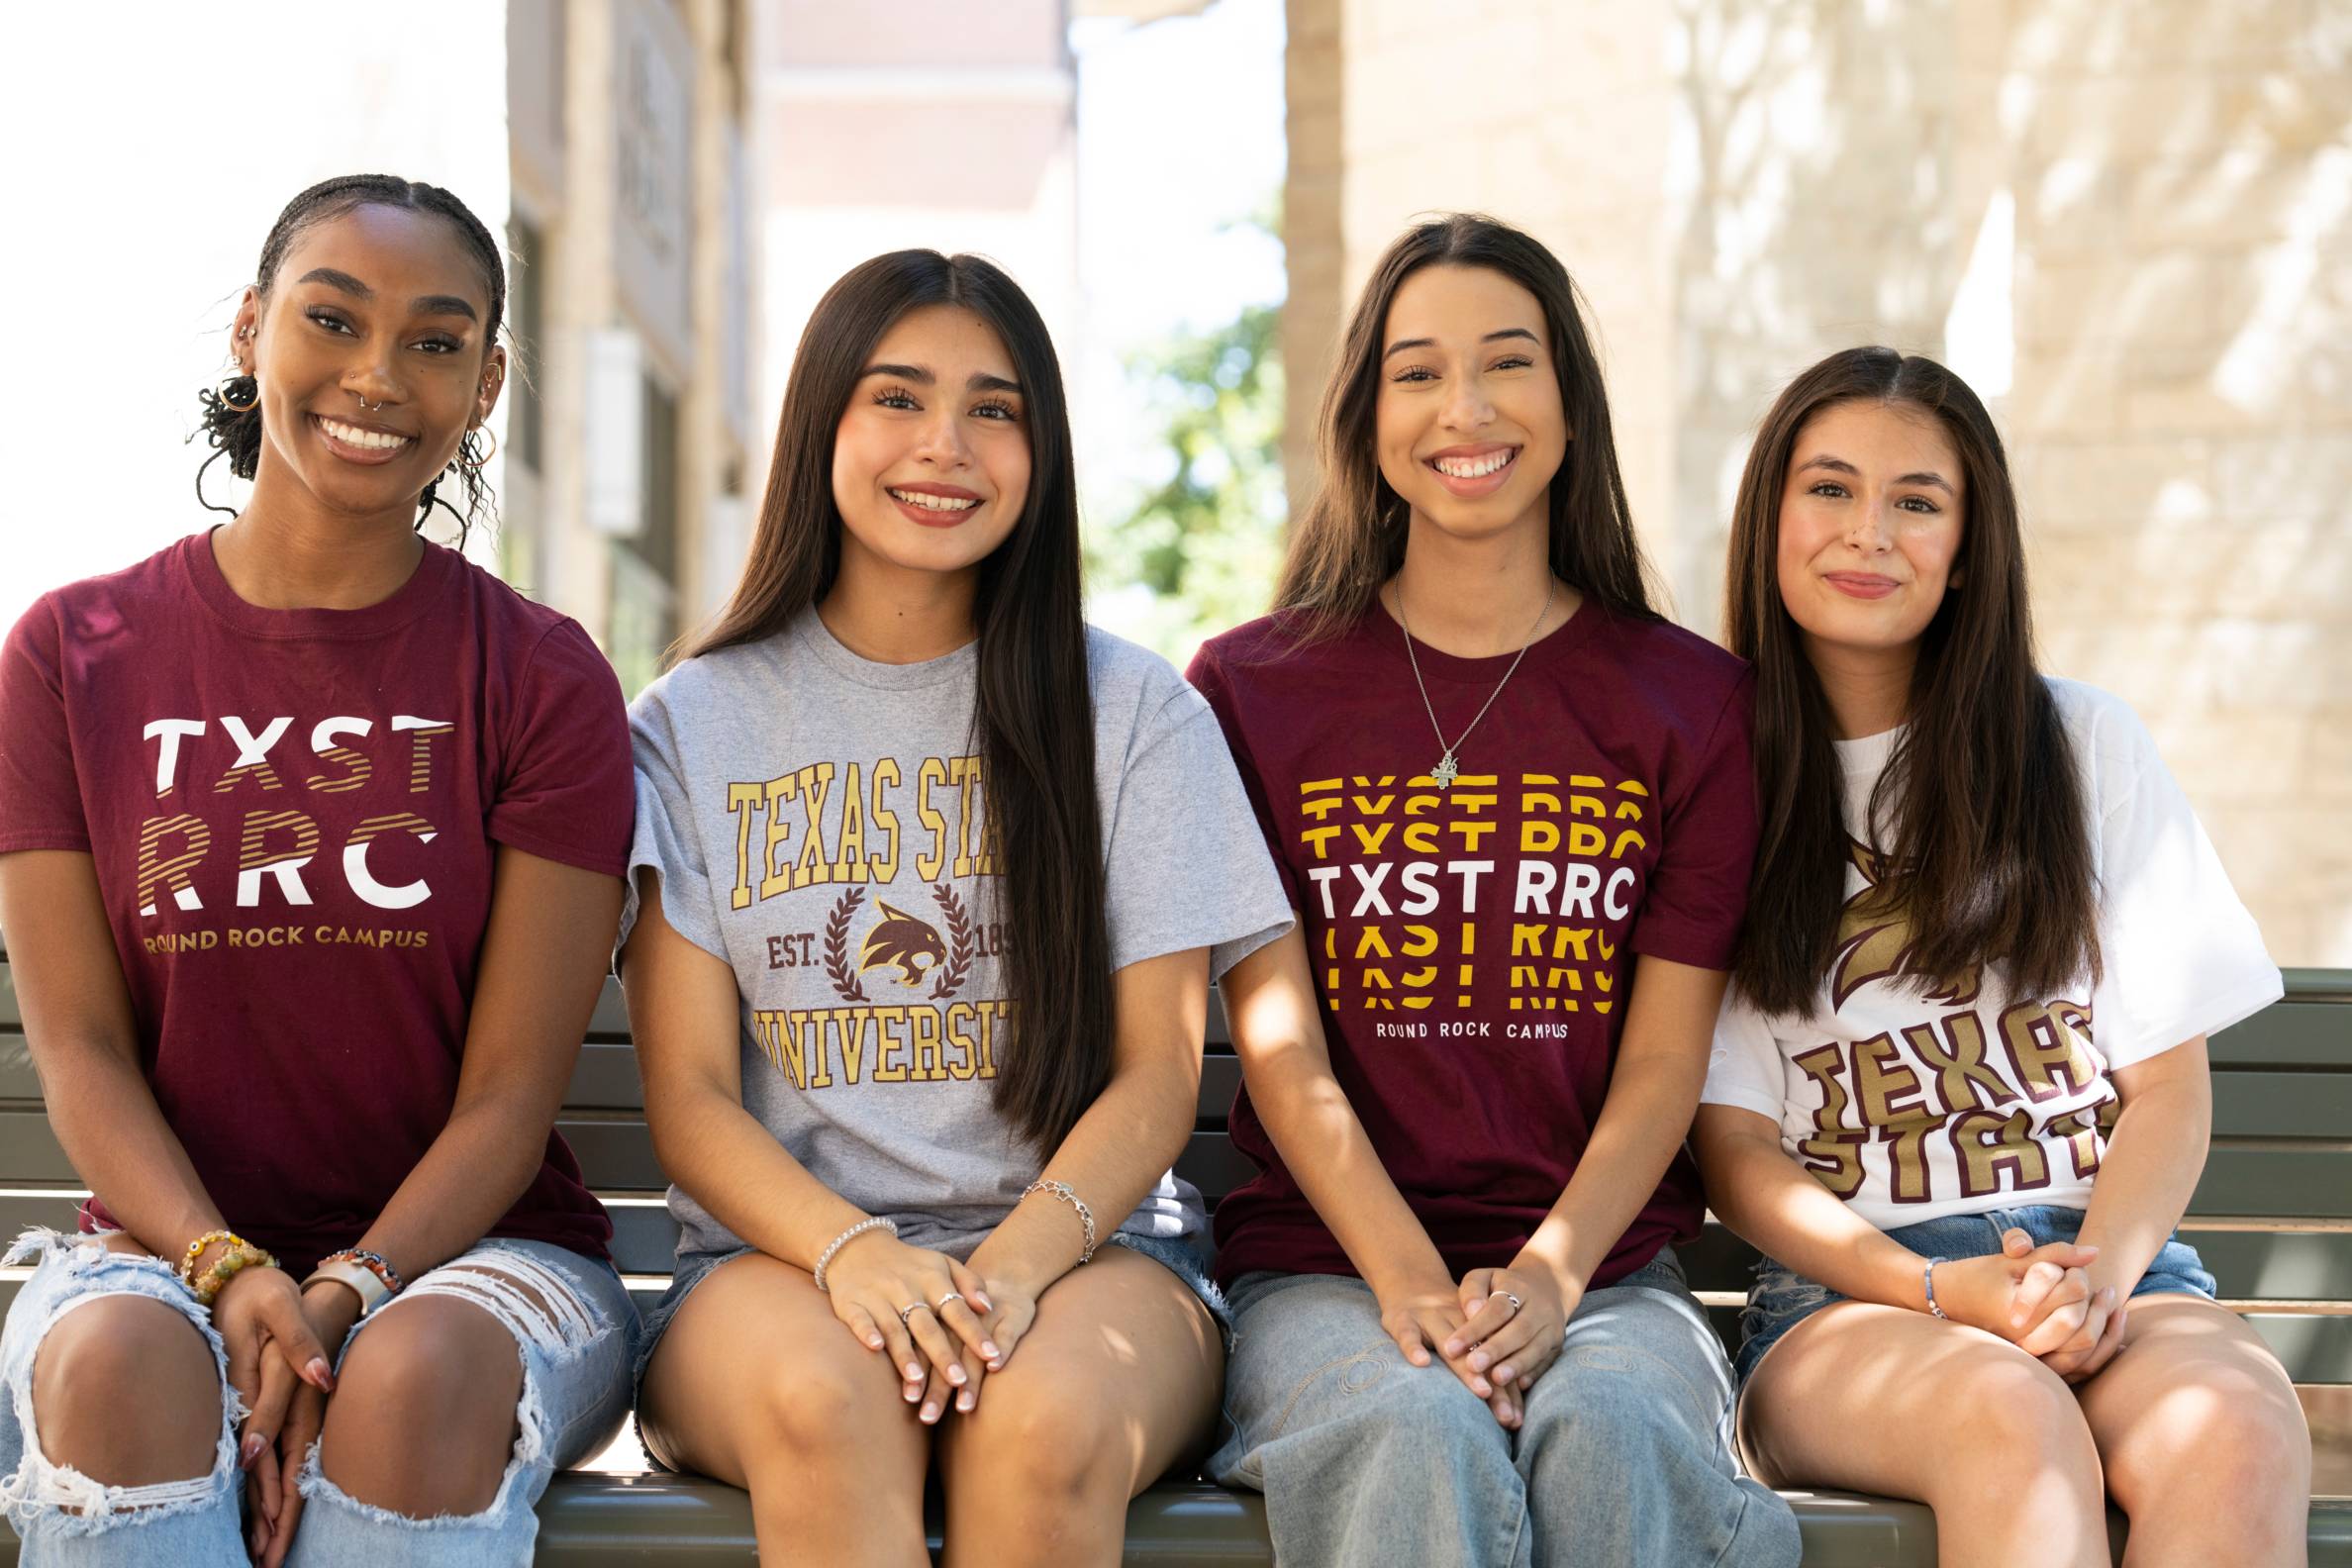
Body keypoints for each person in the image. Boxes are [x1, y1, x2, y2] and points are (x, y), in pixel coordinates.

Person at [0, 174, 637, 1567]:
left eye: (434, 340)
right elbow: (85, 1053)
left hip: (475, 1261)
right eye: (331, 319)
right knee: (117, 1370)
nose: (375, 376)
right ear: (250, 331)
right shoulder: (70, 651)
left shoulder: (538, 675)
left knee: (410, 1386)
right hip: (161, 1256)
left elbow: (510, 1099)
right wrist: (229, 1275)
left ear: (487, 384)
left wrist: (342, 1295)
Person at [618, 247, 1291, 1567]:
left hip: (1094, 1259)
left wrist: (1012, 1274)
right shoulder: (694, 723)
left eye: (996, 409)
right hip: (780, 1270)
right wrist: (857, 1256)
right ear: (825, 422)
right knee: (829, 1399)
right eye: (899, 398)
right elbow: (691, 1099)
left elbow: (1159, 1076)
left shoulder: (1133, 711)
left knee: (1038, 1431)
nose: (947, 446)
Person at [1187, 213, 1800, 1568]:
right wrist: (1410, 1279)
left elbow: (1662, 1066)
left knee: (1617, 1432)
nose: (1464, 409)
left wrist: (1549, 1273)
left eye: (1507, 363)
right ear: (1367, 415)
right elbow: (1285, 1061)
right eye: (1417, 371)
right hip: (1323, 1269)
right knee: (1418, 1431)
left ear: (1571, 403)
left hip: (1609, 1277)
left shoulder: (1692, 703)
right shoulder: (1249, 693)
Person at [1695, 345, 2310, 1566]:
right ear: (1769, 516)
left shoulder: (2079, 746)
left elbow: (2168, 1090)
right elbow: (1735, 1149)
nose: (1869, 532)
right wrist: (1936, 1292)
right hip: (1852, 1301)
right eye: (1829, 489)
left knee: (2236, 1424)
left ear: (1968, 546)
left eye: (1917, 501)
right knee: (2011, 1423)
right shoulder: (1713, 774)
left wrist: (2098, 1281)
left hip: (2107, 1264)